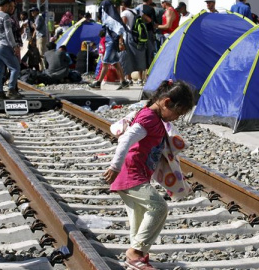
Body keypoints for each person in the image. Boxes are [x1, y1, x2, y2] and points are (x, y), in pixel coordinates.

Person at [103, 79, 194, 270]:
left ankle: (136, 259)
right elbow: (126, 139)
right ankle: (135, 253)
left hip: (137, 174)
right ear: (166, 102)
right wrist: (115, 167)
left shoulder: (154, 118)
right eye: (177, 113)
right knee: (158, 207)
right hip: (130, 174)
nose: (176, 118)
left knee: (140, 215)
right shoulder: (148, 119)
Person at [89, 0, 128, 90]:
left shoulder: (111, 17)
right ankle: (123, 81)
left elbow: (119, 28)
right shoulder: (110, 15)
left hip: (112, 41)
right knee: (115, 63)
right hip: (110, 40)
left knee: (105, 62)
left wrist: (120, 42)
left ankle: (98, 82)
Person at [0, 0, 21, 99]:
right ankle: (11, 90)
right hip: (4, 45)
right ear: (4, 6)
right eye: (8, 6)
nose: (10, 8)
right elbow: (8, 33)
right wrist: (14, 46)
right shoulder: (5, 16)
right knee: (15, 68)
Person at [120, 0, 148, 86]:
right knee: (140, 56)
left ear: (123, 4)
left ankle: (129, 79)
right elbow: (148, 20)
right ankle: (140, 79)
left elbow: (122, 27)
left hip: (130, 37)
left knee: (127, 57)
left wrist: (120, 40)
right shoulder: (138, 11)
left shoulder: (125, 13)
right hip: (139, 37)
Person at [136, 0, 158, 74]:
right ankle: (148, 74)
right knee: (150, 53)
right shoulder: (150, 9)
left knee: (141, 53)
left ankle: (140, 77)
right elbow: (153, 22)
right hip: (148, 33)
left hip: (139, 34)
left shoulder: (137, 8)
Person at [30, 6, 47, 71]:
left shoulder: (39, 17)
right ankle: (41, 68)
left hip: (41, 37)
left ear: (37, 11)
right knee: (39, 54)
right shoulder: (36, 18)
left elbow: (37, 27)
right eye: (31, 11)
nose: (32, 12)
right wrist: (33, 38)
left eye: (33, 11)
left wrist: (33, 25)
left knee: (41, 53)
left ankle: (43, 69)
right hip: (38, 37)